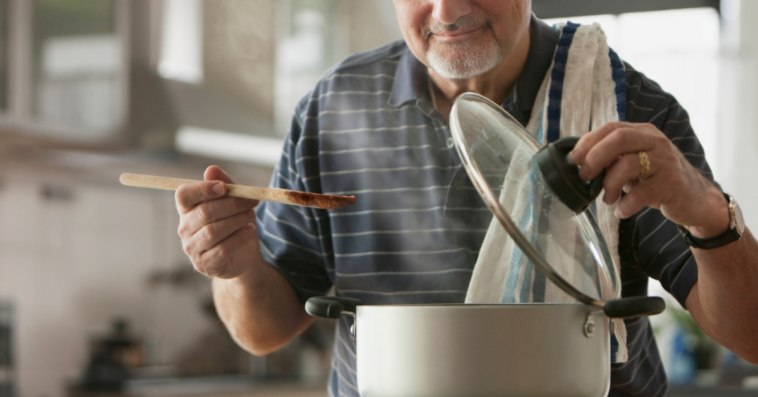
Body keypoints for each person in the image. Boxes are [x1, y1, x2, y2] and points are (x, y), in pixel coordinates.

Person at [174, 1, 758, 396]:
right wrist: (240, 267)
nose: (448, 10)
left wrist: (705, 213)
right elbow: (263, 330)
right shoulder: (332, 109)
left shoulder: (623, 105)